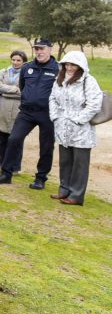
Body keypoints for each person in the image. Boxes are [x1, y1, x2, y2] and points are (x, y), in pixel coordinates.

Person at [0, 38, 59, 189]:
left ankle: (40, 178)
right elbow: (22, 86)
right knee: (14, 139)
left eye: (42, 49)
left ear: (50, 50)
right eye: (36, 49)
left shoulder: (57, 69)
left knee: (46, 146)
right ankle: (6, 174)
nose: (39, 52)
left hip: (47, 113)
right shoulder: (27, 67)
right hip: (27, 112)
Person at [48, 51, 103, 206]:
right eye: (67, 64)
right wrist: (56, 116)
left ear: (80, 66)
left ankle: (76, 195)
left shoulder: (89, 81)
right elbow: (52, 98)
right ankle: (64, 190)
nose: (69, 67)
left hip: (81, 130)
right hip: (62, 127)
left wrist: (78, 120)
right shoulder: (60, 79)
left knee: (79, 163)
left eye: (73, 64)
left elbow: (94, 105)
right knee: (65, 160)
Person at [0, 51, 27, 171]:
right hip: (2, 108)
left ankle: (15, 167)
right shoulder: (4, 71)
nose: (15, 62)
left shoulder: (26, 73)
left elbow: (25, 91)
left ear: (23, 62)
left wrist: (4, 90)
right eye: (13, 59)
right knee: (2, 139)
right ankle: (3, 165)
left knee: (16, 139)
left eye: (18, 60)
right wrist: (14, 89)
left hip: (17, 109)